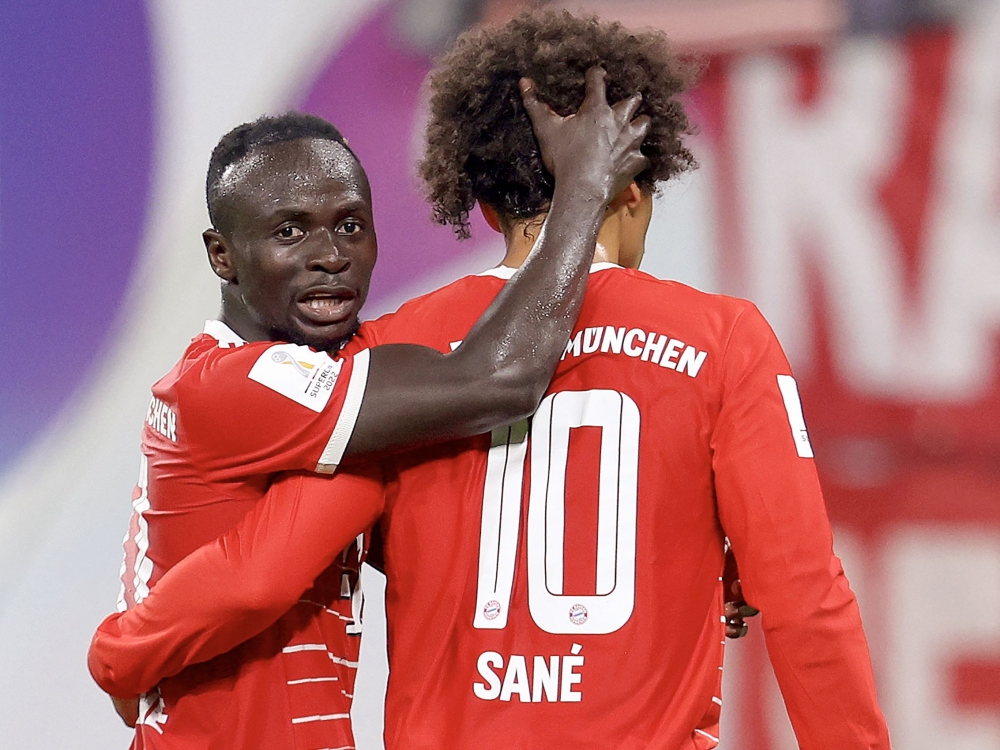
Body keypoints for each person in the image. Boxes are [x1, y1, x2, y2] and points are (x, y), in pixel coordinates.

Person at [92, 10, 879, 750]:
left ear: (486, 203)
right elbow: (805, 598)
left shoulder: (390, 352)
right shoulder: (723, 340)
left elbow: (272, 562)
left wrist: (126, 649)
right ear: (633, 192)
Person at [87, 65, 651, 749]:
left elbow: (426, 537)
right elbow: (501, 379)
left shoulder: (313, 387)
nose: (330, 256)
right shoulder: (239, 384)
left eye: (350, 225)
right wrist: (584, 189)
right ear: (222, 256)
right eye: (289, 232)